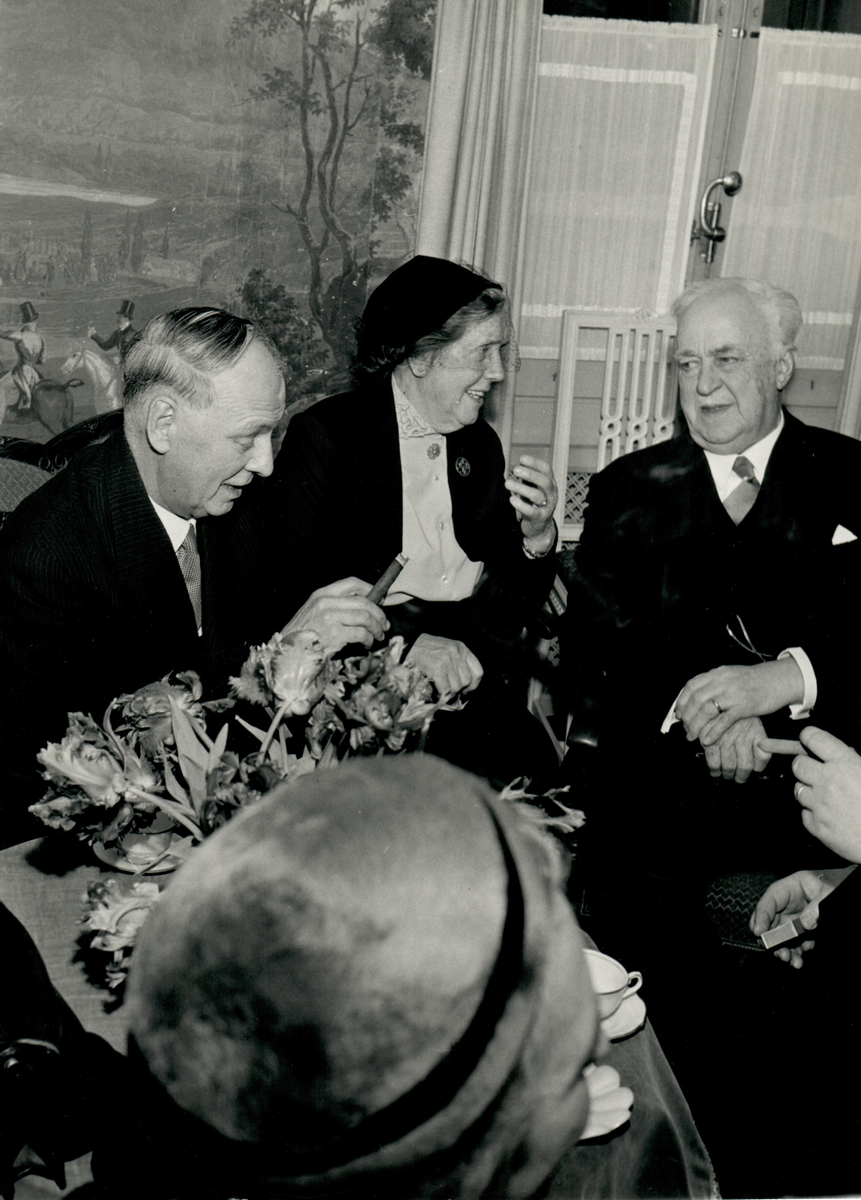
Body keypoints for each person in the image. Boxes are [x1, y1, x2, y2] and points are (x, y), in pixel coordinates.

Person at [0, 307, 387, 848]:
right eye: (248, 437)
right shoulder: (48, 555)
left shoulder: (237, 500)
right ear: (164, 424)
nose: (266, 463)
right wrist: (279, 664)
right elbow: (106, 771)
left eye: (271, 433)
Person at [562, 278, 861, 882]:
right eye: (688, 363)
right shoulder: (625, 489)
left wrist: (780, 684)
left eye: (726, 359)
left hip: (815, 797)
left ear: (781, 367)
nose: (702, 385)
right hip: (660, 787)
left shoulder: (855, 477)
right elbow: (587, 655)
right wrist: (707, 713)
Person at [268, 256, 559, 781]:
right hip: (370, 699)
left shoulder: (480, 446)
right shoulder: (329, 438)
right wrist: (403, 646)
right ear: (422, 356)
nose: (497, 372)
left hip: (473, 697)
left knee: (543, 792)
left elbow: (508, 609)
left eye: (500, 351)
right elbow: (290, 598)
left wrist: (536, 538)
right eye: (483, 352)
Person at [0, 300, 45, 413]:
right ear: (35, 321)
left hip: (22, 371)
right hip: (34, 373)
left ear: (25, 322)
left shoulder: (20, 335)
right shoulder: (40, 338)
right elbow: (42, 360)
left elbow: (3, 334)